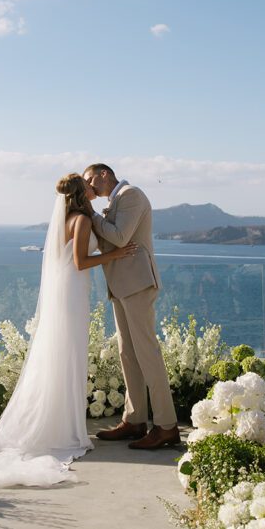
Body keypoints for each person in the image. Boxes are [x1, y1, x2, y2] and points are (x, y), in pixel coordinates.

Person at [0, 174, 136, 487]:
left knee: (61, 355)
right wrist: (116, 255)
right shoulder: (79, 220)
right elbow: (80, 262)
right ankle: (62, 430)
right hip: (72, 292)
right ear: (82, 192)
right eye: (88, 184)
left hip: (67, 292)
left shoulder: (70, 217)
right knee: (68, 355)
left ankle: (59, 423)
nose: (94, 187)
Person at [83, 163, 178, 449]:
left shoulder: (131, 194)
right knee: (128, 354)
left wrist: (89, 214)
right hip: (121, 286)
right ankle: (135, 420)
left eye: (90, 180)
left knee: (147, 353)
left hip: (137, 284)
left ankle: (166, 426)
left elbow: (120, 236)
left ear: (103, 174)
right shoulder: (114, 202)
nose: (89, 187)